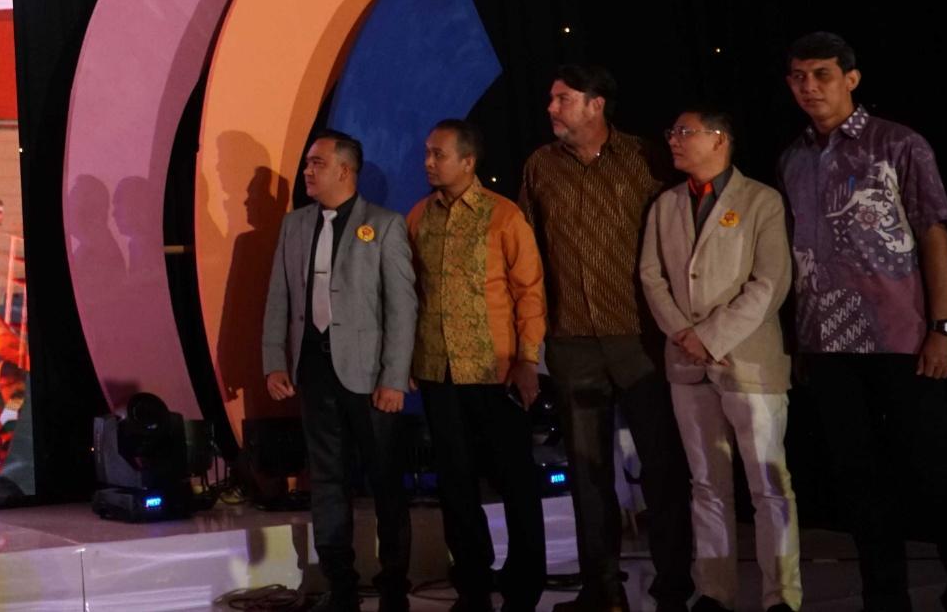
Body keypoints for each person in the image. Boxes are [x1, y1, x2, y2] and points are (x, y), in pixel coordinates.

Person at [778, 32, 947, 611]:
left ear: (851, 79)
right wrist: (801, 342)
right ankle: (884, 598)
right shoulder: (792, 158)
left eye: (822, 74)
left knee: (933, 471)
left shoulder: (898, 143)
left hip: (900, 335)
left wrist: (942, 327)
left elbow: (935, 235)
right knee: (857, 480)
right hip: (826, 342)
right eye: (798, 76)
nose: (809, 86)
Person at [520, 64, 693, 612]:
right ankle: (602, 588)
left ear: (596, 105)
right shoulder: (540, 165)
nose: (551, 108)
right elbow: (529, 255)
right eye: (551, 98)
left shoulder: (646, 157)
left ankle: (673, 586)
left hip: (641, 336)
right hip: (572, 338)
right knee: (587, 471)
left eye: (563, 99)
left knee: (661, 465)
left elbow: (680, 237)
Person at [639, 107, 799, 612]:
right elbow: (651, 277)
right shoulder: (665, 204)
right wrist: (682, 334)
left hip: (748, 362)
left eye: (684, 132)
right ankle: (715, 592)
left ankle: (781, 596)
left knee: (768, 486)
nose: (674, 140)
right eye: (672, 132)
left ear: (718, 139)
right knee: (707, 485)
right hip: (686, 366)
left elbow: (771, 282)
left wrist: (709, 336)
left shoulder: (761, 200)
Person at [261, 130, 415, 612]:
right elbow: (279, 298)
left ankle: (393, 583)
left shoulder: (383, 225)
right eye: (308, 163)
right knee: (327, 479)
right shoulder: (295, 225)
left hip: (369, 376)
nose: (307, 171)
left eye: (317, 163)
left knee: (385, 479)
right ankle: (340, 583)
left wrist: (394, 377)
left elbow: (402, 308)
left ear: (345, 170)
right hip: (314, 371)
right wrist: (274, 361)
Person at [408, 120, 548, 612]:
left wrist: (528, 359)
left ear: (468, 162)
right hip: (438, 370)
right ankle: (471, 582)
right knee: (455, 483)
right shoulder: (419, 215)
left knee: (515, 479)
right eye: (427, 153)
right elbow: (412, 292)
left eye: (439, 155)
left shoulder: (503, 215)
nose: (428, 163)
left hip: (496, 370)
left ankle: (524, 585)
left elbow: (529, 291)